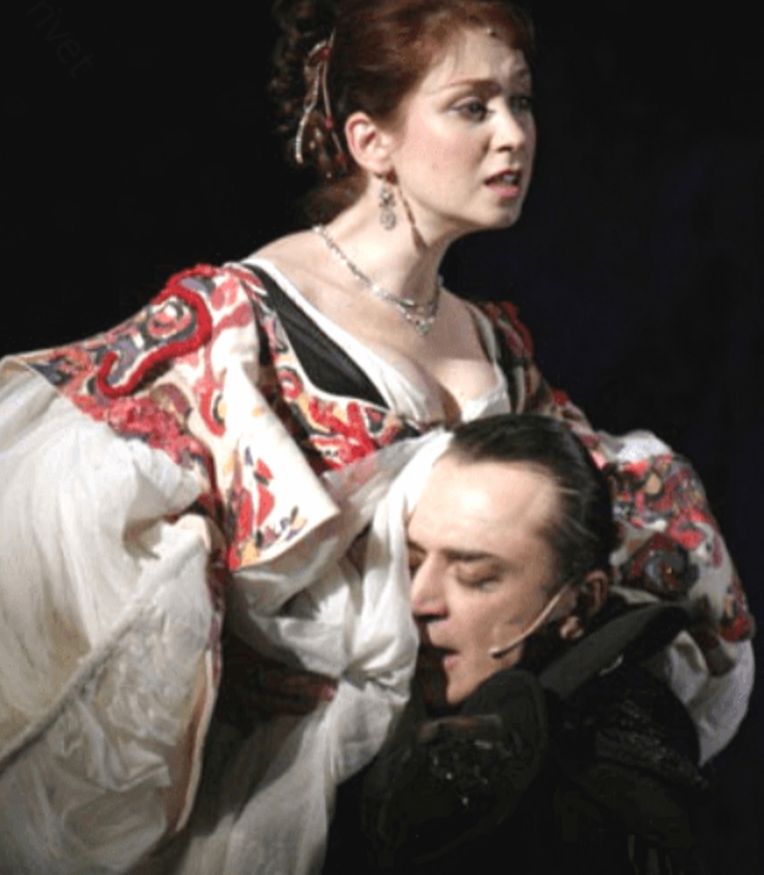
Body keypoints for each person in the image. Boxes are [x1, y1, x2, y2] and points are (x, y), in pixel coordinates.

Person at [0, 0, 753, 872]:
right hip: (289, 805)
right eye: (471, 107)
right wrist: (210, 641)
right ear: (371, 141)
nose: (512, 135)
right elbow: (55, 523)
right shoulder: (243, 318)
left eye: (520, 101)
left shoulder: (495, 342)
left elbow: (581, 528)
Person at [324, 414, 708, 875]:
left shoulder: (613, 781)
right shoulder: (343, 685)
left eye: (476, 576)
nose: (419, 601)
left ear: (581, 603)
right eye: (410, 564)